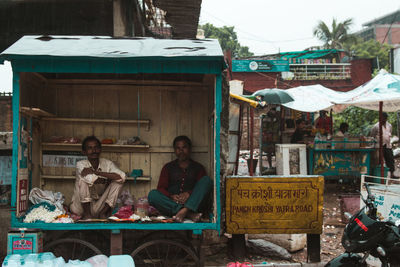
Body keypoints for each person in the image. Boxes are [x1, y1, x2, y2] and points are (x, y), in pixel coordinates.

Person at [148, 135, 213, 222]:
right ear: (175, 150)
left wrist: (189, 194)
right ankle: (188, 214)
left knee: (207, 180)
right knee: (152, 195)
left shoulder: (198, 167)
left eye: (184, 147)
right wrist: (171, 196)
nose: (181, 151)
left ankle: (186, 210)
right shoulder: (168, 167)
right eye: (178, 148)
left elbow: (202, 189)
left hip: (193, 204)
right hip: (172, 204)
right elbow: (161, 188)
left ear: (190, 149)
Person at [70, 136, 126, 219]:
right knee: (83, 180)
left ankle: (103, 213)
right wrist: (106, 179)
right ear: (84, 152)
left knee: (118, 182)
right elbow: (90, 179)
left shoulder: (108, 164)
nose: (93, 151)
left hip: (98, 207)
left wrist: (97, 172)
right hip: (80, 208)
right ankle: (87, 215)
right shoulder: (80, 164)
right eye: (90, 148)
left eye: (96, 147)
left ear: (100, 150)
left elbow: (122, 177)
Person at [370, 113, 396, 178]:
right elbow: (372, 136)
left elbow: (390, 133)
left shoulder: (389, 125)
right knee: (379, 160)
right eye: (382, 118)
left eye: (385, 118)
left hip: (387, 145)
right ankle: (379, 175)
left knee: (390, 159)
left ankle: (392, 174)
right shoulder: (376, 126)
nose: (384, 119)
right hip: (379, 145)